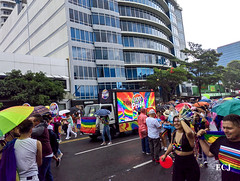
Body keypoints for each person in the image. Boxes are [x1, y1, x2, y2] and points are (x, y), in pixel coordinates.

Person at [197, 114, 240, 181]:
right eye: (224, 127)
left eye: (229, 128)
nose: (225, 131)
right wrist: (200, 138)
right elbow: (209, 153)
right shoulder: (221, 141)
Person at [162, 115, 200, 181]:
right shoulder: (174, 133)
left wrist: (181, 119)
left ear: (183, 122)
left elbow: (189, 131)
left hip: (189, 162)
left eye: (178, 121)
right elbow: (171, 144)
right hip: (178, 161)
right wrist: (165, 154)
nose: (176, 123)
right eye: (175, 121)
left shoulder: (189, 134)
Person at [30, 114, 54, 181]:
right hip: (47, 153)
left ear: (37, 121)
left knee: (41, 174)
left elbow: (30, 132)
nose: (32, 123)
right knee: (47, 174)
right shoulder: (41, 126)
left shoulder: (40, 128)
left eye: (33, 121)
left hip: (45, 154)